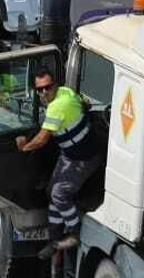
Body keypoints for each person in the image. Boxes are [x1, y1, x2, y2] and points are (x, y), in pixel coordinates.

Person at [17, 66, 102, 253]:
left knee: (59, 194)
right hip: (71, 155)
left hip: (84, 158)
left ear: (55, 85)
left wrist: (24, 147)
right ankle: (55, 239)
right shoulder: (66, 92)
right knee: (51, 191)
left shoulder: (57, 106)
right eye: (40, 89)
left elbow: (42, 139)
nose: (44, 92)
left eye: (48, 87)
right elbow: (82, 102)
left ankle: (75, 231)